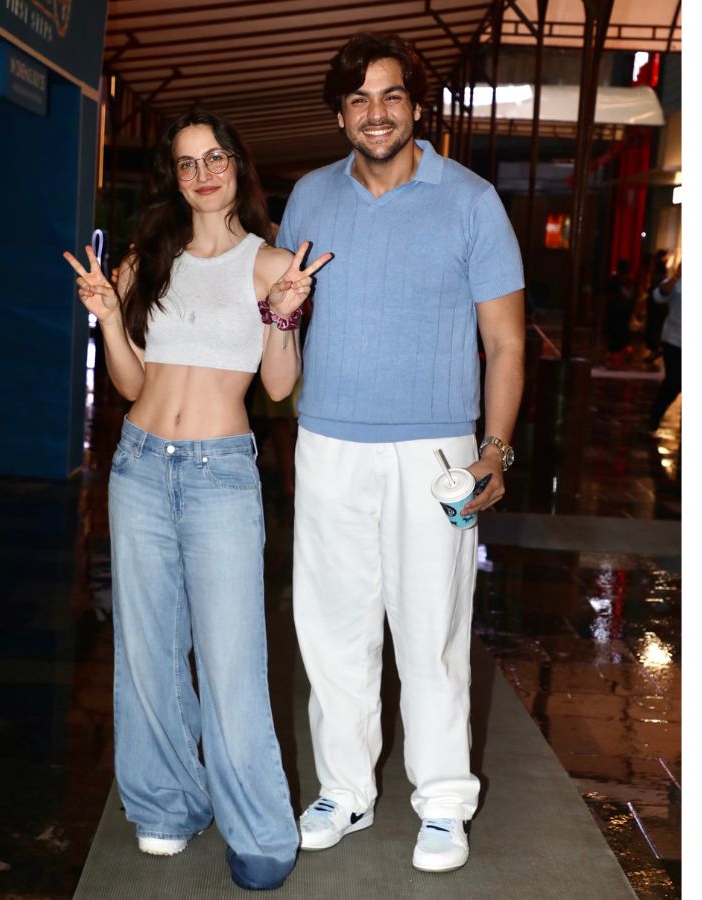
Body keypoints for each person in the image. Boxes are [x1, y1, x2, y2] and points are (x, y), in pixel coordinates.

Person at [275, 32, 526, 874]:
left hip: (435, 451)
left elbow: (506, 342)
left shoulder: (471, 201)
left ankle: (444, 801)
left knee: (432, 631)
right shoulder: (310, 197)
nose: (375, 113)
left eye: (390, 96)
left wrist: (494, 452)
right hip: (328, 441)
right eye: (358, 100)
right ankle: (344, 789)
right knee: (332, 628)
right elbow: (285, 314)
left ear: (416, 106)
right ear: (339, 115)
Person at [63, 109, 331, 892]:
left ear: (237, 167)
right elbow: (132, 383)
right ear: (175, 180)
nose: (202, 173)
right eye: (186, 163)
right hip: (140, 467)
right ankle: (166, 803)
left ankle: (258, 828)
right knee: (146, 649)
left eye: (214, 158)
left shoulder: (270, 263)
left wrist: (284, 315)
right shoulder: (149, 260)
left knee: (231, 658)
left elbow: (277, 385)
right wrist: (109, 321)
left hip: (220, 475)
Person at [647, 263, 682, 431]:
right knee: (674, 382)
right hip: (674, 340)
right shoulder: (677, 283)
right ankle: (655, 415)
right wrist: (676, 277)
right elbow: (658, 296)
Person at [604, 257, 635, 365]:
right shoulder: (630, 280)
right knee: (624, 330)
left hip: (614, 310)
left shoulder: (615, 279)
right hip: (626, 310)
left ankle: (615, 355)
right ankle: (626, 349)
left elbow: (606, 291)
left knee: (614, 332)